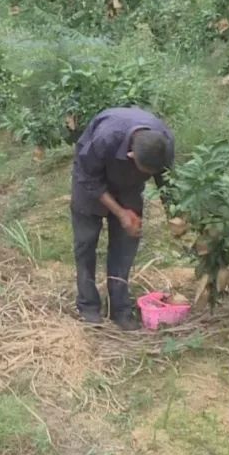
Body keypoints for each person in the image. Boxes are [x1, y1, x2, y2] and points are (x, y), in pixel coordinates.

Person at [70, 107, 174, 330]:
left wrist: (175, 216)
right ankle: (88, 306)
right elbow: (88, 178)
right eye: (144, 170)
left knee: (126, 245)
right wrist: (119, 212)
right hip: (91, 181)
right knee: (86, 243)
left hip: (128, 185)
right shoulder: (106, 137)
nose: (149, 176)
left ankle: (119, 309)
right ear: (131, 155)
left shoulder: (163, 142)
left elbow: (167, 181)